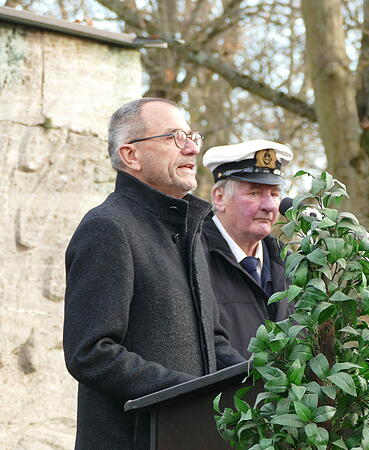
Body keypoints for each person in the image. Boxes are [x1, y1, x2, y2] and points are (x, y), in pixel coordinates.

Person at [63, 98, 244, 449]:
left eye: (192, 136)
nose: (191, 147)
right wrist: (187, 392)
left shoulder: (191, 231)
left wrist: (264, 384)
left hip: (193, 436)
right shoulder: (107, 228)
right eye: (174, 137)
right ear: (131, 155)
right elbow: (91, 352)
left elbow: (215, 340)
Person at [201, 140, 294, 356]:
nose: (270, 206)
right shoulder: (194, 257)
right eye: (254, 193)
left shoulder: (290, 265)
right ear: (220, 198)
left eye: (274, 194)